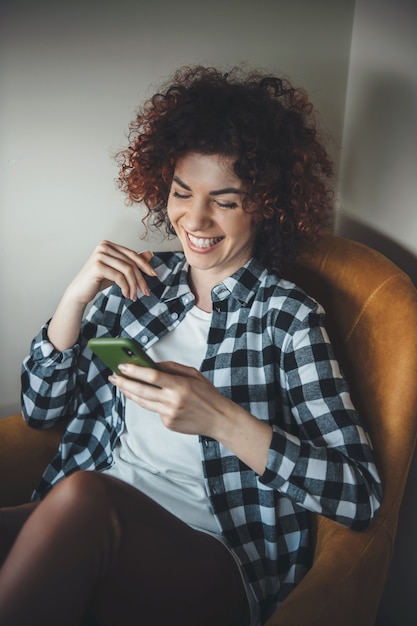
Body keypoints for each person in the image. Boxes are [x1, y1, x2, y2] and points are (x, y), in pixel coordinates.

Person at [0, 66, 382, 626]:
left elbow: (360, 494)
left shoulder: (290, 318)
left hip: (215, 554)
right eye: (183, 193)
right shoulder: (139, 287)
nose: (195, 219)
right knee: (81, 500)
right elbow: (42, 410)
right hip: (85, 523)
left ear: (266, 205)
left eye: (225, 201)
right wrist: (74, 302)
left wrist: (222, 419)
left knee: (86, 499)